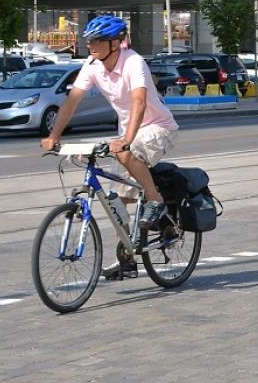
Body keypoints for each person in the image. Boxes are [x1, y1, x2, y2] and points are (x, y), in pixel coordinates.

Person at [40, 16, 180, 279]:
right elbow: (72, 101)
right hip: (128, 134)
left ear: (115, 43)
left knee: (124, 150)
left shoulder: (133, 62)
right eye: (89, 40)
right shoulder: (92, 65)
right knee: (117, 199)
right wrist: (54, 135)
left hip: (158, 127)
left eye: (98, 40)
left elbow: (139, 101)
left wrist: (126, 137)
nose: (91, 45)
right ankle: (127, 256)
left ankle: (156, 199)